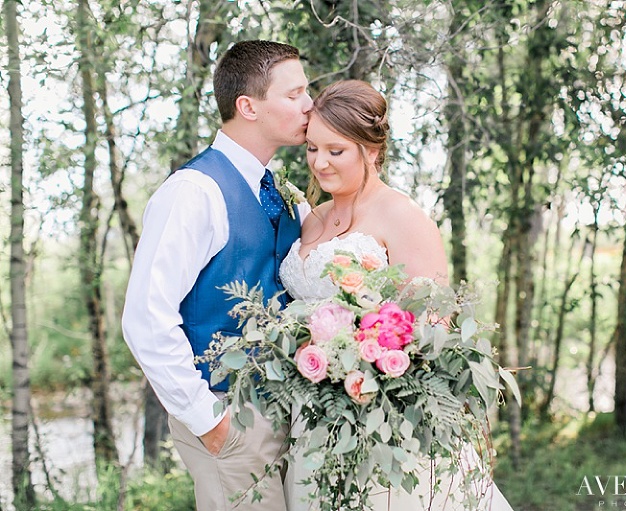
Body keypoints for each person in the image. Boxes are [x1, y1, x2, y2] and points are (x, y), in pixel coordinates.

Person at [278, 79, 513, 510]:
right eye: (312, 148)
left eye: (336, 150)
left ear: (371, 150)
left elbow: (432, 325)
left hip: (383, 415)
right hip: (313, 415)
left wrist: (365, 363)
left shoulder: (403, 216)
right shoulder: (313, 218)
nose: (320, 163)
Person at [121, 40, 313, 511]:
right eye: (295, 95)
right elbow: (145, 318)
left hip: (294, 413)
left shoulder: (284, 193)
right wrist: (209, 421)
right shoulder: (193, 192)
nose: (311, 104)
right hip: (227, 416)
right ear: (248, 106)